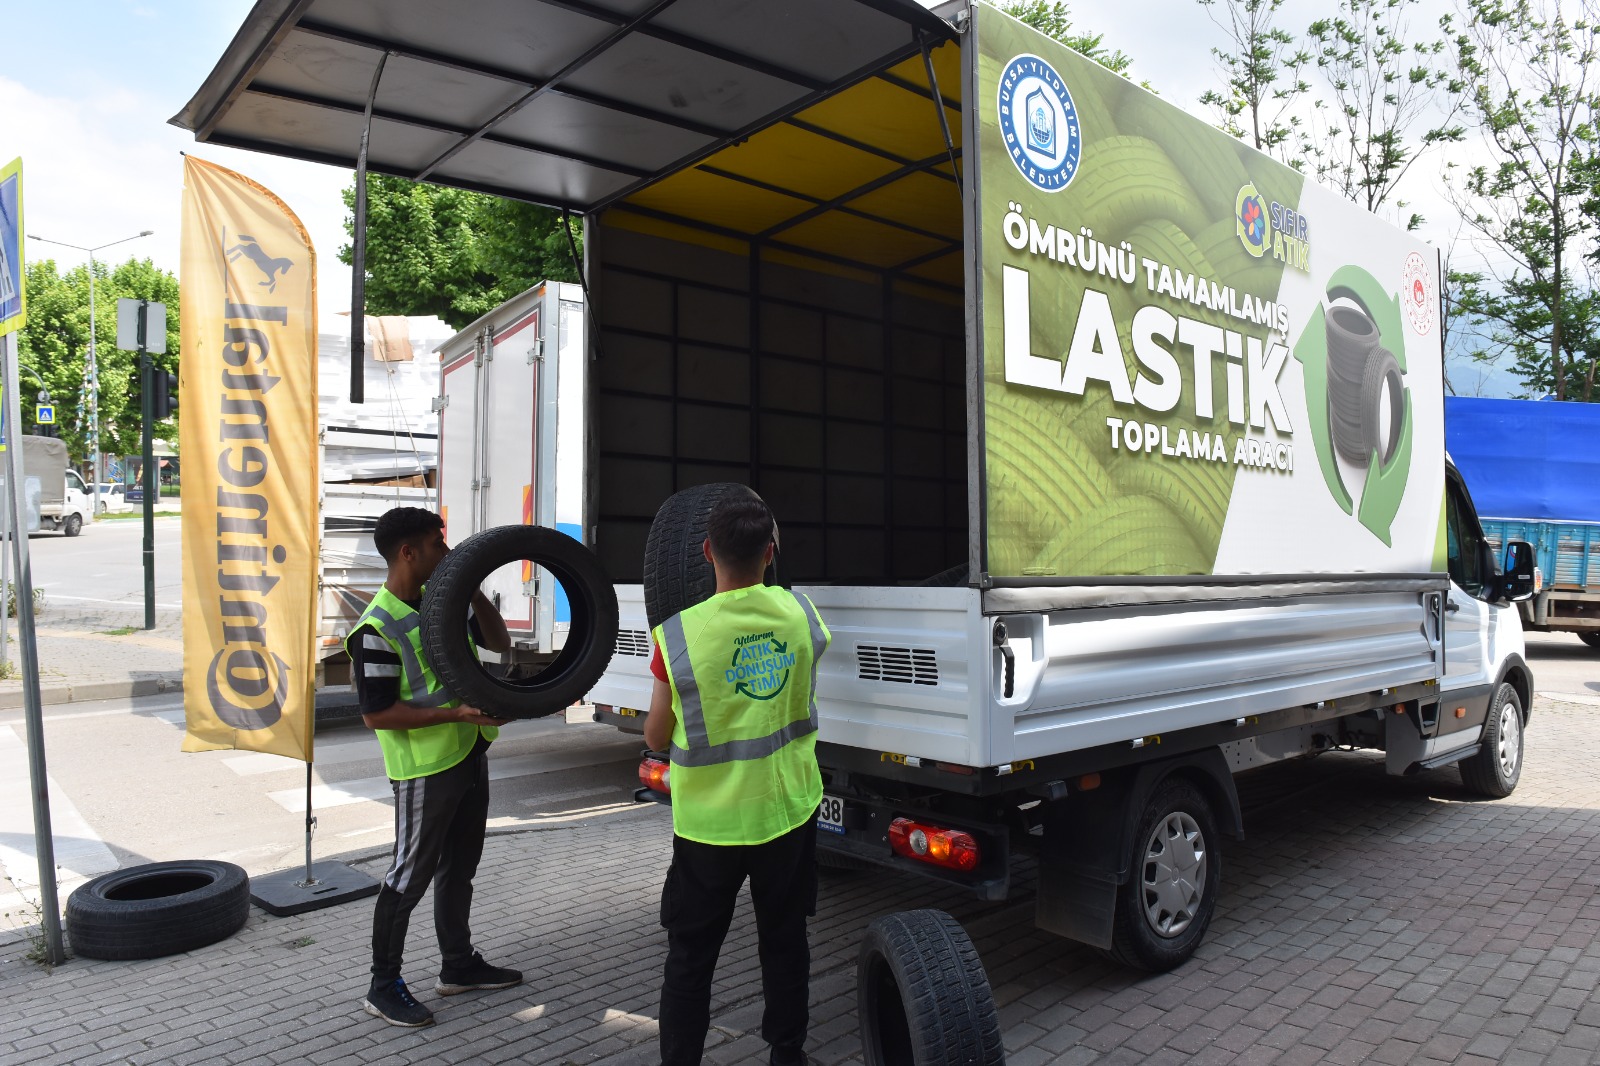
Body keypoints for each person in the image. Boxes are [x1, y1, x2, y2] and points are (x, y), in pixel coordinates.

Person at [644, 488, 831, 1066]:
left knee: (691, 956)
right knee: (784, 940)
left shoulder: (676, 636)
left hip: (709, 827)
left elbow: (654, 737)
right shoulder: (802, 615)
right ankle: (787, 1052)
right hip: (786, 810)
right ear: (771, 553)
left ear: (705, 552)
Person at [347, 506, 520, 1027]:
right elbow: (377, 714)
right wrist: (456, 713)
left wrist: (468, 588)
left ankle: (458, 965)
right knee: (407, 875)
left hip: (469, 753)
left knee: (459, 868)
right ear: (409, 552)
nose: (446, 554)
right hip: (425, 769)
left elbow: (499, 643)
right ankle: (383, 986)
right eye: (437, 546)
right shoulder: (376, 626)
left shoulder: (440, 604)